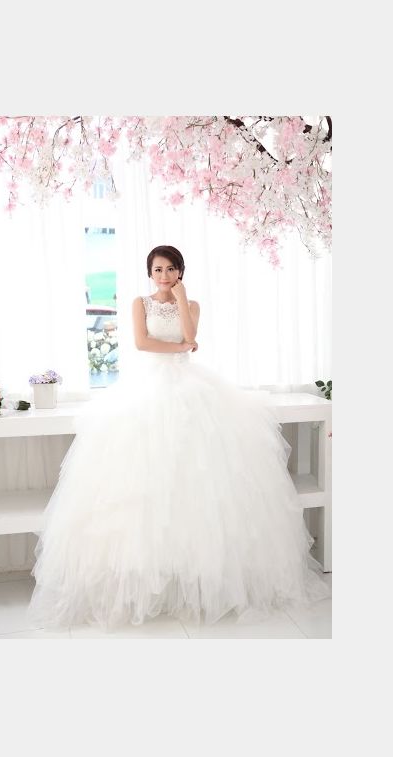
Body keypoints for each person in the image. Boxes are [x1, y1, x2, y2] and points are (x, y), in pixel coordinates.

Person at [25, 244, 330, 631]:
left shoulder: (192, 302)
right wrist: (181, 347)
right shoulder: (139, 303)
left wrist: (182, 302)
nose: (164, 276)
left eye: (171, 269)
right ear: (149, 273)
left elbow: (191, 334)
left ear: (180, 271)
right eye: (158, 269)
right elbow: (142, 343)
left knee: (199, 474)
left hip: (189, 386)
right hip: (148, 387)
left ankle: (194, 574)